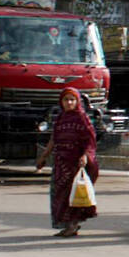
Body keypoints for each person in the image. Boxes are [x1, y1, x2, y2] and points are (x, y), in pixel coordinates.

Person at [34, 87, 98, 238]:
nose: (69, 103)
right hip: (60, 163)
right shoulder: (61, 118)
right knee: (59, 194)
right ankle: (66, 225)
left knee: (73, 194)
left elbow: (90, 139)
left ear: (77, 102)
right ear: (61, 102)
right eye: (66, 100)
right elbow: (53, 139)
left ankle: (72, 225)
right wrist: (43, 156)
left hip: (75, 163)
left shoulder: (82, 118)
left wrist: (85, 155)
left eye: (72, 100)